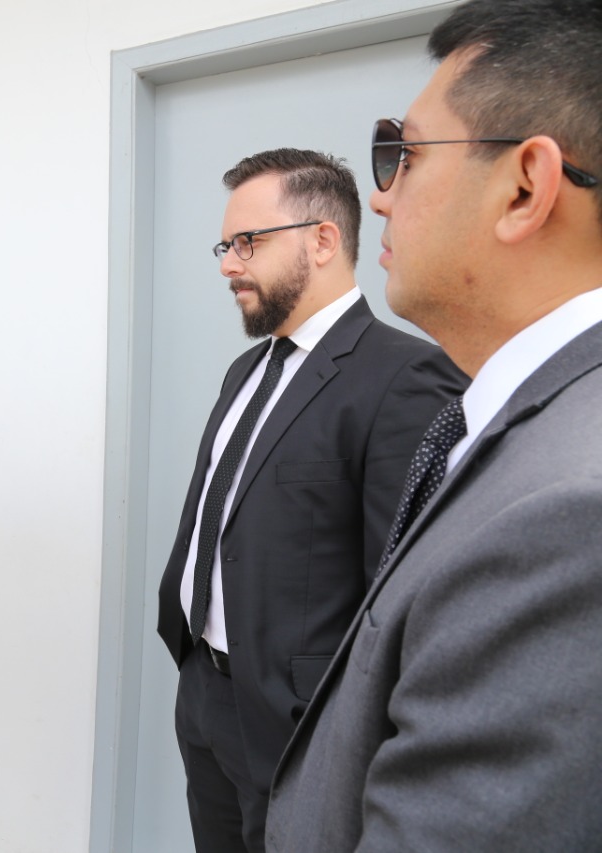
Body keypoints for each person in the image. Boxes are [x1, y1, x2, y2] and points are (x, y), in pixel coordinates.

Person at [266, 2, 602, 849]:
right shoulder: (520, 424)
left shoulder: (570, 512)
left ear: (526, 185)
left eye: (403, 154)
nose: (379, 200)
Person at [154, 149, 467, 852]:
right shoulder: (246, 369)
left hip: (301, 723)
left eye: (247, 243)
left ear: (322, 240)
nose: (229, 264)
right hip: (206, 695)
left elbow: (407, 598)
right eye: (225, 246)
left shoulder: (407, 377)